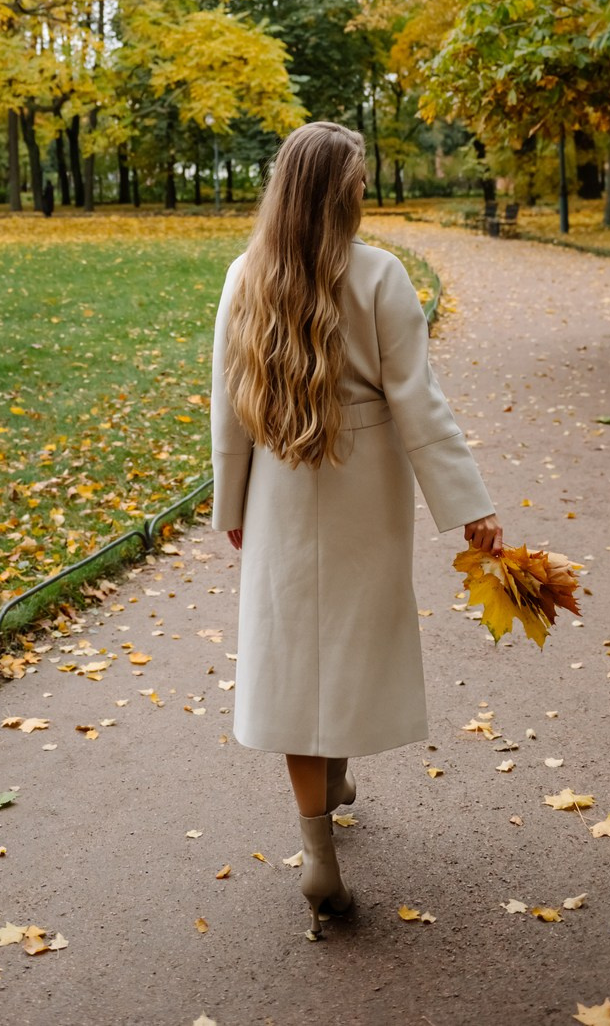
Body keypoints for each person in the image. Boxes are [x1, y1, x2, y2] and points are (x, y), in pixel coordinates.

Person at [210, 120, 501, 940]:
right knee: (346, 638)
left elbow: (228, 402)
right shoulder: (379, 276)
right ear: (343, 193)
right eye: (362, 180)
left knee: (296, 647)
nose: (368, 191)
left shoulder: (245, 276)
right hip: (364, 485)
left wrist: (230, 504)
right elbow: (419, 403)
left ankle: (318, 850)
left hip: (277, 480)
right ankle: (327, 810)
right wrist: (469, 505)